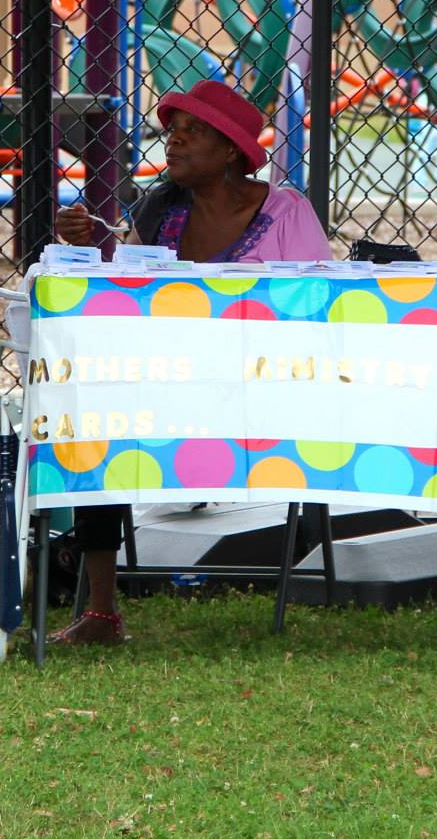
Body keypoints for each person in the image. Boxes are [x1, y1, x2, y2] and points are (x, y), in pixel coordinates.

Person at [50, 78, 334, 645]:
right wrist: (87, 248)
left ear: (230, 149)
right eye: (172, 132)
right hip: (167, 385)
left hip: (260, 391)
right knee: (89, 415)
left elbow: (316, 311)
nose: (173, 143)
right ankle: (101, 612)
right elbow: (129, 295)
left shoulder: (285, 212)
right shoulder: (160, 208)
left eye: (192, 133)